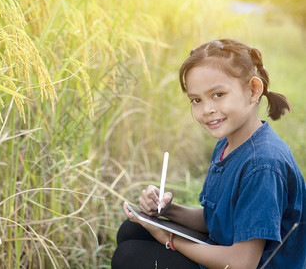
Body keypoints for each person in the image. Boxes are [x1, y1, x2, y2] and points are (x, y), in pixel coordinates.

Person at [111, 39, 306, 269]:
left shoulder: (262, 165)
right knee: (132, 228)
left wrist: (170, 239)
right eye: (196, 100)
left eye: (218, 95)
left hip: (246, 264)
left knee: (129, 257)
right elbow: (217, 221)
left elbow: (242, 263)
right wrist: (166, 210)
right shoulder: (228, 143)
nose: (207, 110)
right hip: (227, 249)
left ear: (253, 90)